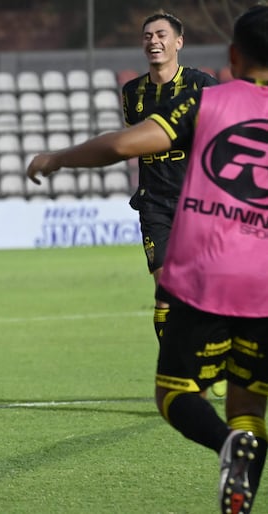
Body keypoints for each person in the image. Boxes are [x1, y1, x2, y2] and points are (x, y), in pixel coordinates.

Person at [27, 5, 268, 512]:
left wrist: (58, 157)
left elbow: (122, 145)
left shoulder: (207, 98)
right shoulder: (142, 90)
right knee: (250, 403)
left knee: (175, 393)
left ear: (231, 55)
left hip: (210, 271)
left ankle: (225, 445)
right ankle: (241, 474)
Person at [122, 12, 219, 353]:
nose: (153, 41)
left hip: (199, 202)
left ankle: (211, 348)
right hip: (155, 204)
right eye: (147, 35)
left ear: (179, 42)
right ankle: (177, 365)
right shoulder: (132, 92)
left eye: (161, 34)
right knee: (165, 291)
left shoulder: (202, 85)